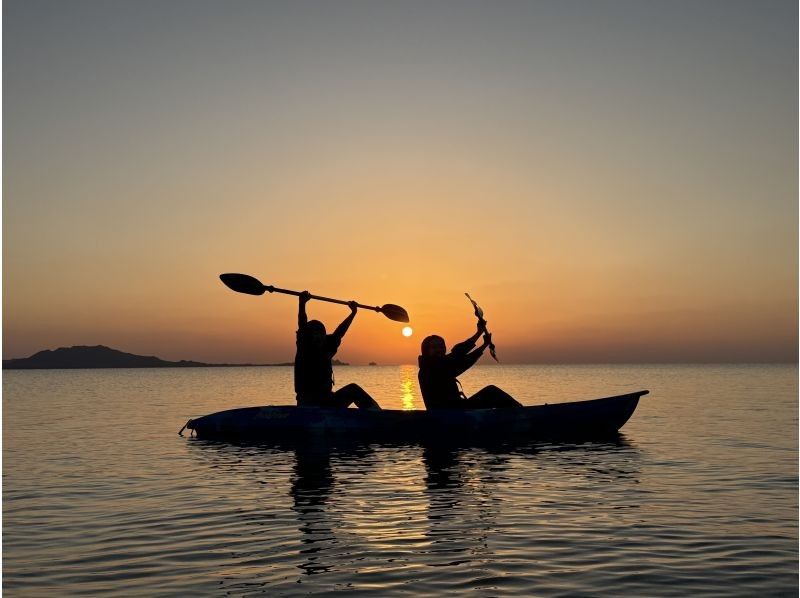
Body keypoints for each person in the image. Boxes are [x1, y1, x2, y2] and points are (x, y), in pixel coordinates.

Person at [295, 291, 381, 409]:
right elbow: (302, 326)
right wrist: (302, 304)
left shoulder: (326, 348)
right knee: (351, 390)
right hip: (307, 403)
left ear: (324, 336)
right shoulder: (304, 347)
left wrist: (353, 313)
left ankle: (378, 414)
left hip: (327, 401)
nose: (317, 336)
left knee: (353, 389)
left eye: (320, 333)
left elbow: (340, 332)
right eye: (313, 333)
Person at [418, 319, 522, 410]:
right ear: (426, 350)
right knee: (492, 392)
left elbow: (457, 355)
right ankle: (522, 413)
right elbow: (458, 357)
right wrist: (479, 335)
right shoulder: (429, 368)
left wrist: (483, 342)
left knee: (491, 395)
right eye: (434, 347)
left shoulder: (441, 363)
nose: (439, 349)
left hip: (457, 409)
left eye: (441, 346)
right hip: (448, 414)